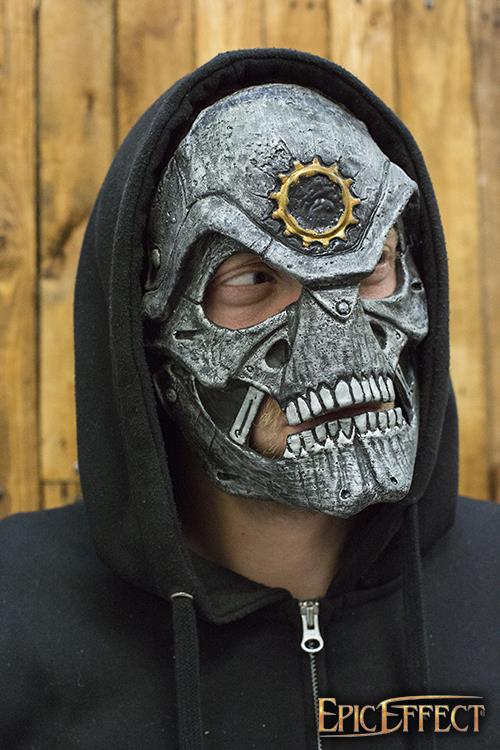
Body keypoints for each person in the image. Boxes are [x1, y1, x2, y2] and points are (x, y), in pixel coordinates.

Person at [0, 48, 498, 750]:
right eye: (255, 278)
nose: (339, 343)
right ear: (154, 333)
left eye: (372, 267)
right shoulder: (15, 616)